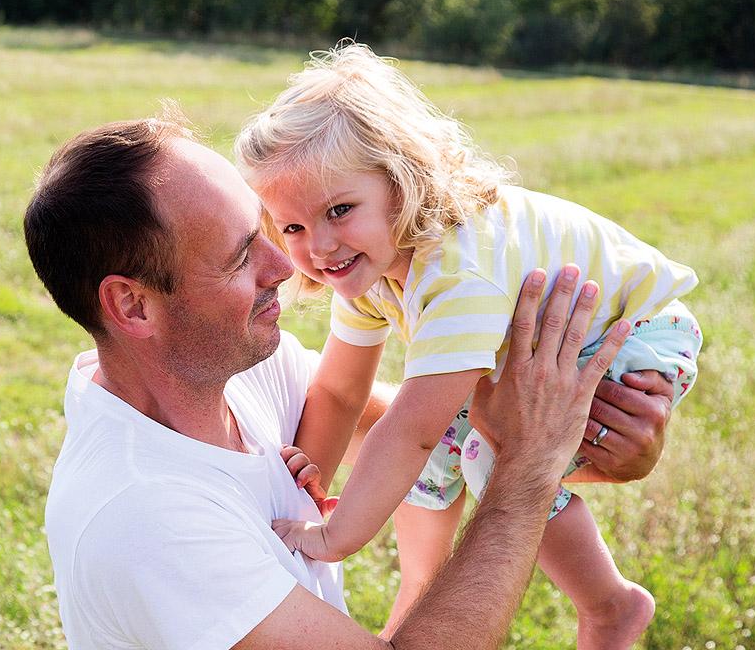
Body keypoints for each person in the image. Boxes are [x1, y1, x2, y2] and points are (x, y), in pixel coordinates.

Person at [27, 114, 679, 649]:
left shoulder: (234, 373)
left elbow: (419, 424)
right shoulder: (148, 516)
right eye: (239, 255)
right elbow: (455, 437)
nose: (287, 263)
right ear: (134, 306)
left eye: (265, 232)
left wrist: (603, 444)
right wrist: (531, 465)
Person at [236, 43, 703, 648]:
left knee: (489, 455)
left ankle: (610, 603)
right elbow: (339, 387)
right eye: (293, 227)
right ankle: (419, 598)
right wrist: (307, 487)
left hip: (631, 332)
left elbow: (412, 428)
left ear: (401, 186)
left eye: (340, 210)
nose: (318, 246)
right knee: (438, 450)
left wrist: (332, 537)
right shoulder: (367, 263)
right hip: (546, 344)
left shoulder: (458, 271)